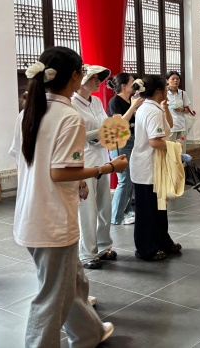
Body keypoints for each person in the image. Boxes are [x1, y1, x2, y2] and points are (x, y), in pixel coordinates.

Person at [9, 46, 127, 347]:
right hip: (52, 218)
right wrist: (108, 167)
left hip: (31, 212)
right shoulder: (68, 116)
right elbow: (59, 172)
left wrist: (79, 180)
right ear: (75, 76)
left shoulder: (29, 112)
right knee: (52, 296)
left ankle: (89, 333)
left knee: (73, 281)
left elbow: (34, 163)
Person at [131, 75, 182, 261]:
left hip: (154, 165)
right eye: (166, 89)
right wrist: (176, 148)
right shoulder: (151, 111)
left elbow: (169, 125)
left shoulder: (152, 108)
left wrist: (165, 107)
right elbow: (155, 142)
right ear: (159, 91)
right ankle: (146, 248)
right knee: (148, 211)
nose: (168, 91)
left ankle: (162, 240)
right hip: (147, 166)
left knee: (160, 208)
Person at [71, 65, 116, 269]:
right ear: (82, 80)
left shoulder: (96, 101)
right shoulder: (72, 104)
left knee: (105, 206)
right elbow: (75, 135)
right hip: (84, 162)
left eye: (99, 78)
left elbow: (106, 127)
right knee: (87, 209)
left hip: (102, 158)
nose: (98, 81)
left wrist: (104, 134)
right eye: (94, 78)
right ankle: (87, 253)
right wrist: (100, 133)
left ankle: (104, 245)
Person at [107, 72, 143, 225]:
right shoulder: (115, 101)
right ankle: (116, 216)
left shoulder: (130, 100)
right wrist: (134, 106)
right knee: (124, 181)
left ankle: (127, 210)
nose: (135, 84)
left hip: (132, 140)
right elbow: (118, 124)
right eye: (132, 82)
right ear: (123, 86)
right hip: (120, 142)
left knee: (131, 179)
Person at [165, 71, 193, 153]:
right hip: (169, 127)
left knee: (181, 151)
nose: (175, 81)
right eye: (173, 79)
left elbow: (188, 110)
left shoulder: (182, 93)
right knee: (170, 151)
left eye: (177, 79)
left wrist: (182, 109)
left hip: (181, 126)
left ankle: (181, 162)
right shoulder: (164, 93)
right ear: (167, 80)